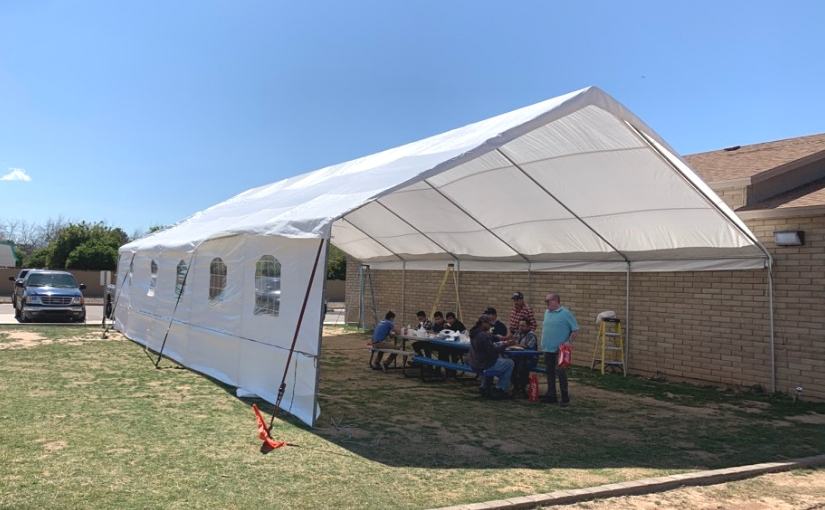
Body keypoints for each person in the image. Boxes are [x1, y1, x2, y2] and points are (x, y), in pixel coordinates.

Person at [540, 293, 579, 405]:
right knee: (549, 372)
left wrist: (569, 341)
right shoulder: (547, 313)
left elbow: (575, 329)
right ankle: (551, 395)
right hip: (548, 348)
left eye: (548, 301)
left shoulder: (565, 313)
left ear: (556, 301)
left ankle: (564, 396)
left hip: (560, 350)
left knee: (561, 373)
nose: (547, 304)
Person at [467, 314, 516, 399]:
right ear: (483, 323)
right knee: (510, 363)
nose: (490, 327)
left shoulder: (474, 332)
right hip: (484, 364)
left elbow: (494, 338)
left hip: (475, 363)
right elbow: (493, 352)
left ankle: (484, 386)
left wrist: (506, 338)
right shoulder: (483, 335)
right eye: (489, 324)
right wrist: (505, 345)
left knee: (500, 361)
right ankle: (500, 388)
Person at [511, 319, 539, 397]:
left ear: (528, 326)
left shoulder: (531, 335)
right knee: (511, 364)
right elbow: (512, 341)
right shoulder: (517, 333)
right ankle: (516, 385)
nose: (520, 327)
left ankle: (522, 386)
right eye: (519, 325)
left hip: (530, 359)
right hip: (518, 357)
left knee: (521, 366)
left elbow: (528, 346)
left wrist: (514, 344)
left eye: (523, 326)